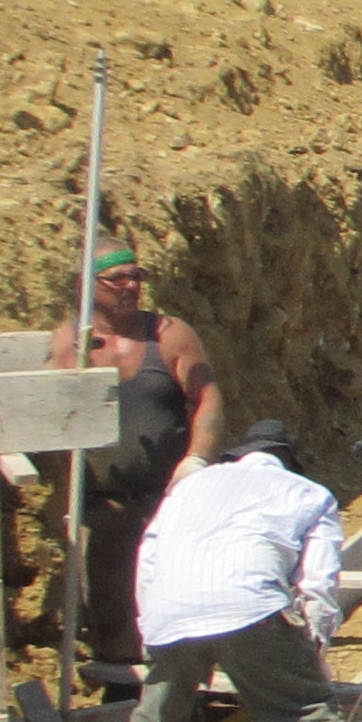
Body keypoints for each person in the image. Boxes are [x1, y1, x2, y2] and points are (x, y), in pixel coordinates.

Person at [112, 419, 362, 722]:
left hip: (169, 611)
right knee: (305, 712)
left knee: (159, 721)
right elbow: (318, 583)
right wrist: (314, 646)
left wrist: (152, 627)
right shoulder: (309, 494)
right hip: (251, 607)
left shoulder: (190, 486)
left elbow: (149, 558)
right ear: (289, 461)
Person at [49, 242, 227, 670]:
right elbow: (52, 415)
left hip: (167, 501)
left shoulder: (168, 335)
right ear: (85, 285)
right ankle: (120, 685)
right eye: (117, 279)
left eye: (137, 276)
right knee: (113, 610)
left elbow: (208, 398)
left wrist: (195, 461)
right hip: (105, 507)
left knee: (180, 601)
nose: (130, 286)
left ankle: (185, 684)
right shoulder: (69, 343)